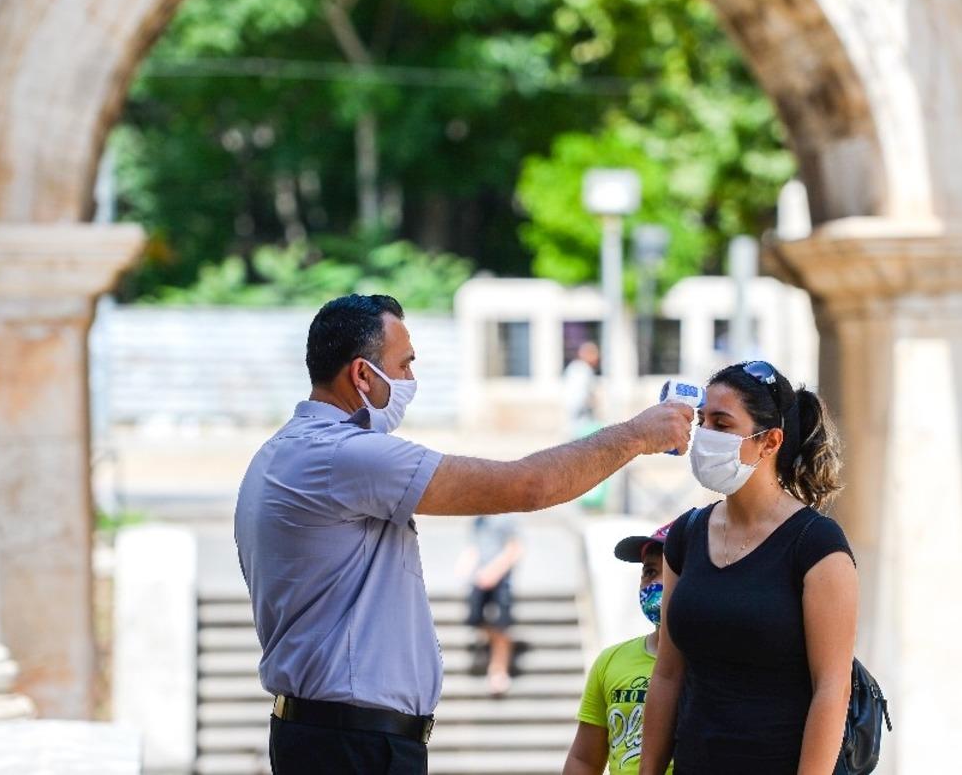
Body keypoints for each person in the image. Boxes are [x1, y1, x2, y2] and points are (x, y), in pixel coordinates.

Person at [234, 294, 693, 775]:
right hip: (352, 744)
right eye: (404, 366)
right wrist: (638, 435)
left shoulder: (282, 453)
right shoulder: (342, 456)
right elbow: (529, 485)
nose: (411, 381)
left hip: (336, 736)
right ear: (362, 375)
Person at [639, 361, 857, 775]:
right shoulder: (686, 535)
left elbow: (832, 688)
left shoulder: (816, 545)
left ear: (770, 441)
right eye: (702, 421)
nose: (704, 436)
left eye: (722, 424)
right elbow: (668, 674)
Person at [563, 522, 675, 775]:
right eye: (649, 572)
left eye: (670, 571)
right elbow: (584, 759)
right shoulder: (611, 661)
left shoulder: (717, 662)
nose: (655, 584)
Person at [457, 514, 522, 696]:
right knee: (475, 619)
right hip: (480, 579)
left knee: (501, 626)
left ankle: (498, 670)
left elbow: (514, 549)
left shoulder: (505, 518)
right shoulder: (477, 520)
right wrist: (466, 566)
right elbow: (474, 547)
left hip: (500, 580)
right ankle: (490, 650)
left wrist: (493, 572)